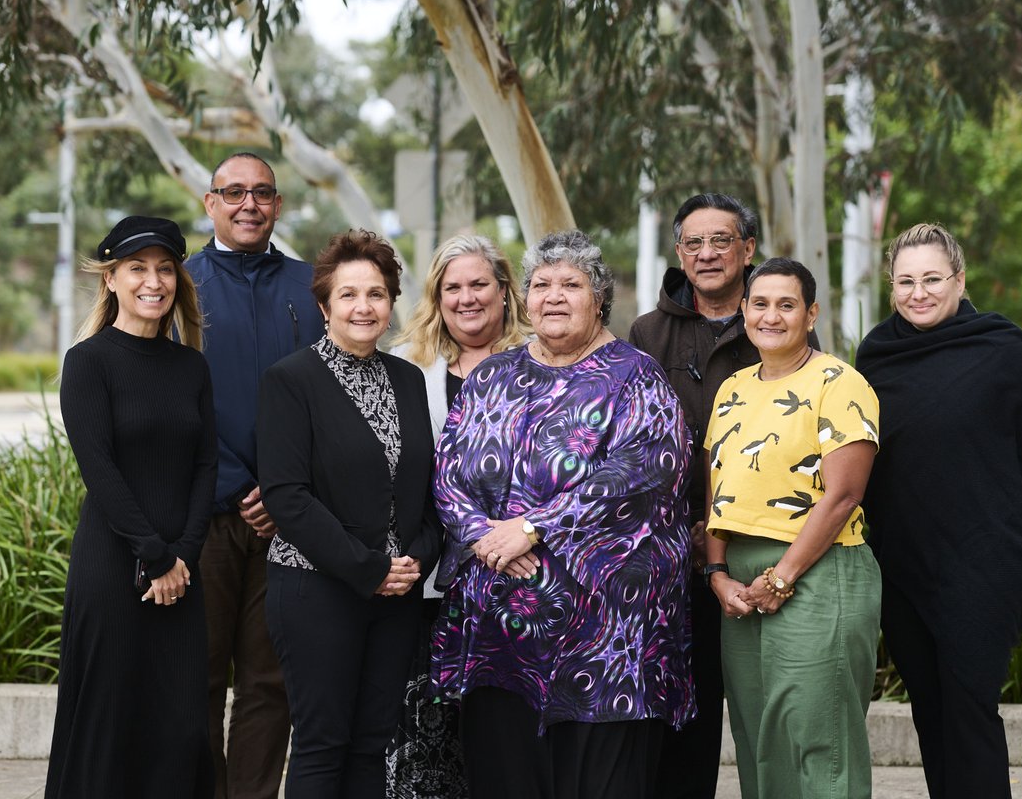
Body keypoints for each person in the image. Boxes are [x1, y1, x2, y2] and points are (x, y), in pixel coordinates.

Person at [430, 230, 695, 799]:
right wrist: (486, 538)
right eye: (541, 284)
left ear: (598, 298)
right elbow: (448, 475)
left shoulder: (635, 377)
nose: (553, 295)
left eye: (570, 284)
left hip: (602, 640)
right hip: (500, 631)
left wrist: (532, 529)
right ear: (524, 298)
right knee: (506, 777)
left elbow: (645, 471)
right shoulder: (490, 377)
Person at [856, 223, 1022, 799]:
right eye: (906, 281)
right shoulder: (876, 353)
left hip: (983, 564)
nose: (919, 292)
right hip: (904, 563)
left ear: (959, 280)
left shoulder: (1001, 348)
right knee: (931, 711)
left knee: (969, 710)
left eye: (933, 279)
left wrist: (1017, 527)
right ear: (891, 286)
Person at [627, 193, 813, 798]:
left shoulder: (773, 321)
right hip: (667, 552)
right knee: (680, 711)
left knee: (770, 707)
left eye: (721, 240)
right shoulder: (647, 333)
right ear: (679, 252)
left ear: (747, 249)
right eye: (694, 243)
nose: (707, 254)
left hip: (762, 547)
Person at [256, 229, 442, 798]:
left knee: (373, 743)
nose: (364, 307)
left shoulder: (408, 379)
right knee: (323, 743)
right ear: (324, 306)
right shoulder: (290, 381)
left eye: (377, 294)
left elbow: (426, 492)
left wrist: (413, 562)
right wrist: (370, 568)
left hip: (396, 597)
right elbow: (288, 498)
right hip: (318, 589)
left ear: (391, 303)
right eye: (349, 295)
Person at [46, 216, 216, 798]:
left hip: (183, 576)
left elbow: (204, 466)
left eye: (165, 268)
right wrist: (155, 556)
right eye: (137, 268)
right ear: (112, 279)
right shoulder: (88, 362)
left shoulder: (191, 366)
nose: (154, 280)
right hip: (113, 569)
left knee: (184, 726)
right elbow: (101, 472)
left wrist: (183, 557)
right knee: (108, 723)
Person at [703, 257, 880, 799]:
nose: (771, 316)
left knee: (818, 739)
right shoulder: (732, 388)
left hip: (818, 570)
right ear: (743, 311)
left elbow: (844, 495)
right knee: (760, 737)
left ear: (810, 314)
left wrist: (782, 577)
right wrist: (715, 572)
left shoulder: (838, 382)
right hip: (740, 578)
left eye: (786, 305)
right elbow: (717, 489)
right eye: (760, 303)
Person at [188, 152, 325, 799]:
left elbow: (332, 399)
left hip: (289, 520)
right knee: (200, 678)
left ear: (278, 205)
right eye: (234, 192)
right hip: (203, 518)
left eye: (263, 193)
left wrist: (281, 489)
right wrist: (236, 484)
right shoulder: (179, 286)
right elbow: (167, 406)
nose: (250, 204)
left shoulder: (313, 287)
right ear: (208, 202)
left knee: (271, 684)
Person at [386, 233, 531, 797]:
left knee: (505, 738)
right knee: (431, 734)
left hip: (519, 578)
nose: (467, 298)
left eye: (479, 284)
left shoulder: (540, 359)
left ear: (503, 289)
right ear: (436, 296)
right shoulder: (406, 366)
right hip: (428, 579)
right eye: (453, 287)